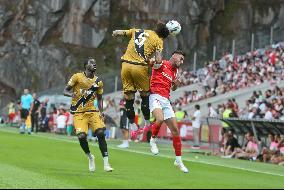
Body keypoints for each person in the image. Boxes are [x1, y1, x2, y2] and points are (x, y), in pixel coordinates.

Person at [112, 20, 181, 135]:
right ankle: (147, 122)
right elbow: (158, 61)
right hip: (139, 67)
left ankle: (132, 124)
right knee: (145, 95)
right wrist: (154, 63)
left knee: (129, 97)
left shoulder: (139, 31)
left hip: (125, 65)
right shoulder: (159, 41)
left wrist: (115, 33)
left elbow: (121, 33)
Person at [63, 57, 113, 172]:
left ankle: (106, 164)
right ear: (85, 66)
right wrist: (71, 95)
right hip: (78, 112)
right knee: (81, 136)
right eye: (91, 63)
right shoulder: (77, 77)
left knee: (100, 132)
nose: (94, 64)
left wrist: (101, 111)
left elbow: (100, 98)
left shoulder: (98, 81)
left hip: (92, 111)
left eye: (95, 63)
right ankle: (90, 157)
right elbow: (65, 90)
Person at [148, 50, 189, 173]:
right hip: (155, 96)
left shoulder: (175, 71)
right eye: (180, 59)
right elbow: (152, 63)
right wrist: (152, 59)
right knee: (159, 119)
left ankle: (178, 160)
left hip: (166, 100)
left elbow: (173, 88)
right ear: (174, 56)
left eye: (183, 60)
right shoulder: (162, 63)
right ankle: (152, 140)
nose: (181, 62)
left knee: (176, 131)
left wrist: (176, 84)